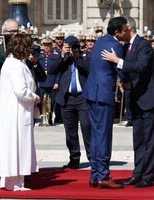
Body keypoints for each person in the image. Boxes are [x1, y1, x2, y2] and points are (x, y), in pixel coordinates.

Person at [101, 16, 154, 188]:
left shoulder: (143, 45)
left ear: (128, 28)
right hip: (135, 99)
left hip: (148, 99)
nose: (118, 37)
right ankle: (137, 174)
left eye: (119, 32)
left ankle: (148, 176)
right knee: (138, 140)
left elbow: (140, 66)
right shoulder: (126, 46)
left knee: (150, 140)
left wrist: (117, 61)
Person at [83, 16, 129, 189]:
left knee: (96, 134)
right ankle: (103, 175)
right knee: (103, 135)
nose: (126, 32)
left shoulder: (101, 41)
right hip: (102, 94)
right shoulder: (116, 45)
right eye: (124, 30)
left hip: (91, 92)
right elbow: (122, 71)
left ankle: (95, 174)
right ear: (117, 31)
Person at [0, 33, 40, 191]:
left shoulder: (15, 62)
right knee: (16, 145)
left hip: (18, 110)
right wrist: (35, 97)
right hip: (16, 111)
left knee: (16, 145)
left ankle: (14, 181)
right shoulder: (14, 65)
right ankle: (14, 183)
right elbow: (21, 90)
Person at [49, 36, 91, 169]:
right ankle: (74, 159)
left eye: (74, 46)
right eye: (70, 46)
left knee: (86, 127)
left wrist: (78, 57)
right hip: (67, 98)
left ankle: (93, 158)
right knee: (70, 131)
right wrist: (63, 55)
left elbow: (89, 70)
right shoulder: (63, 59)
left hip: (83, 97)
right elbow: (52, 70)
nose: (72, 49)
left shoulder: (85, 57)